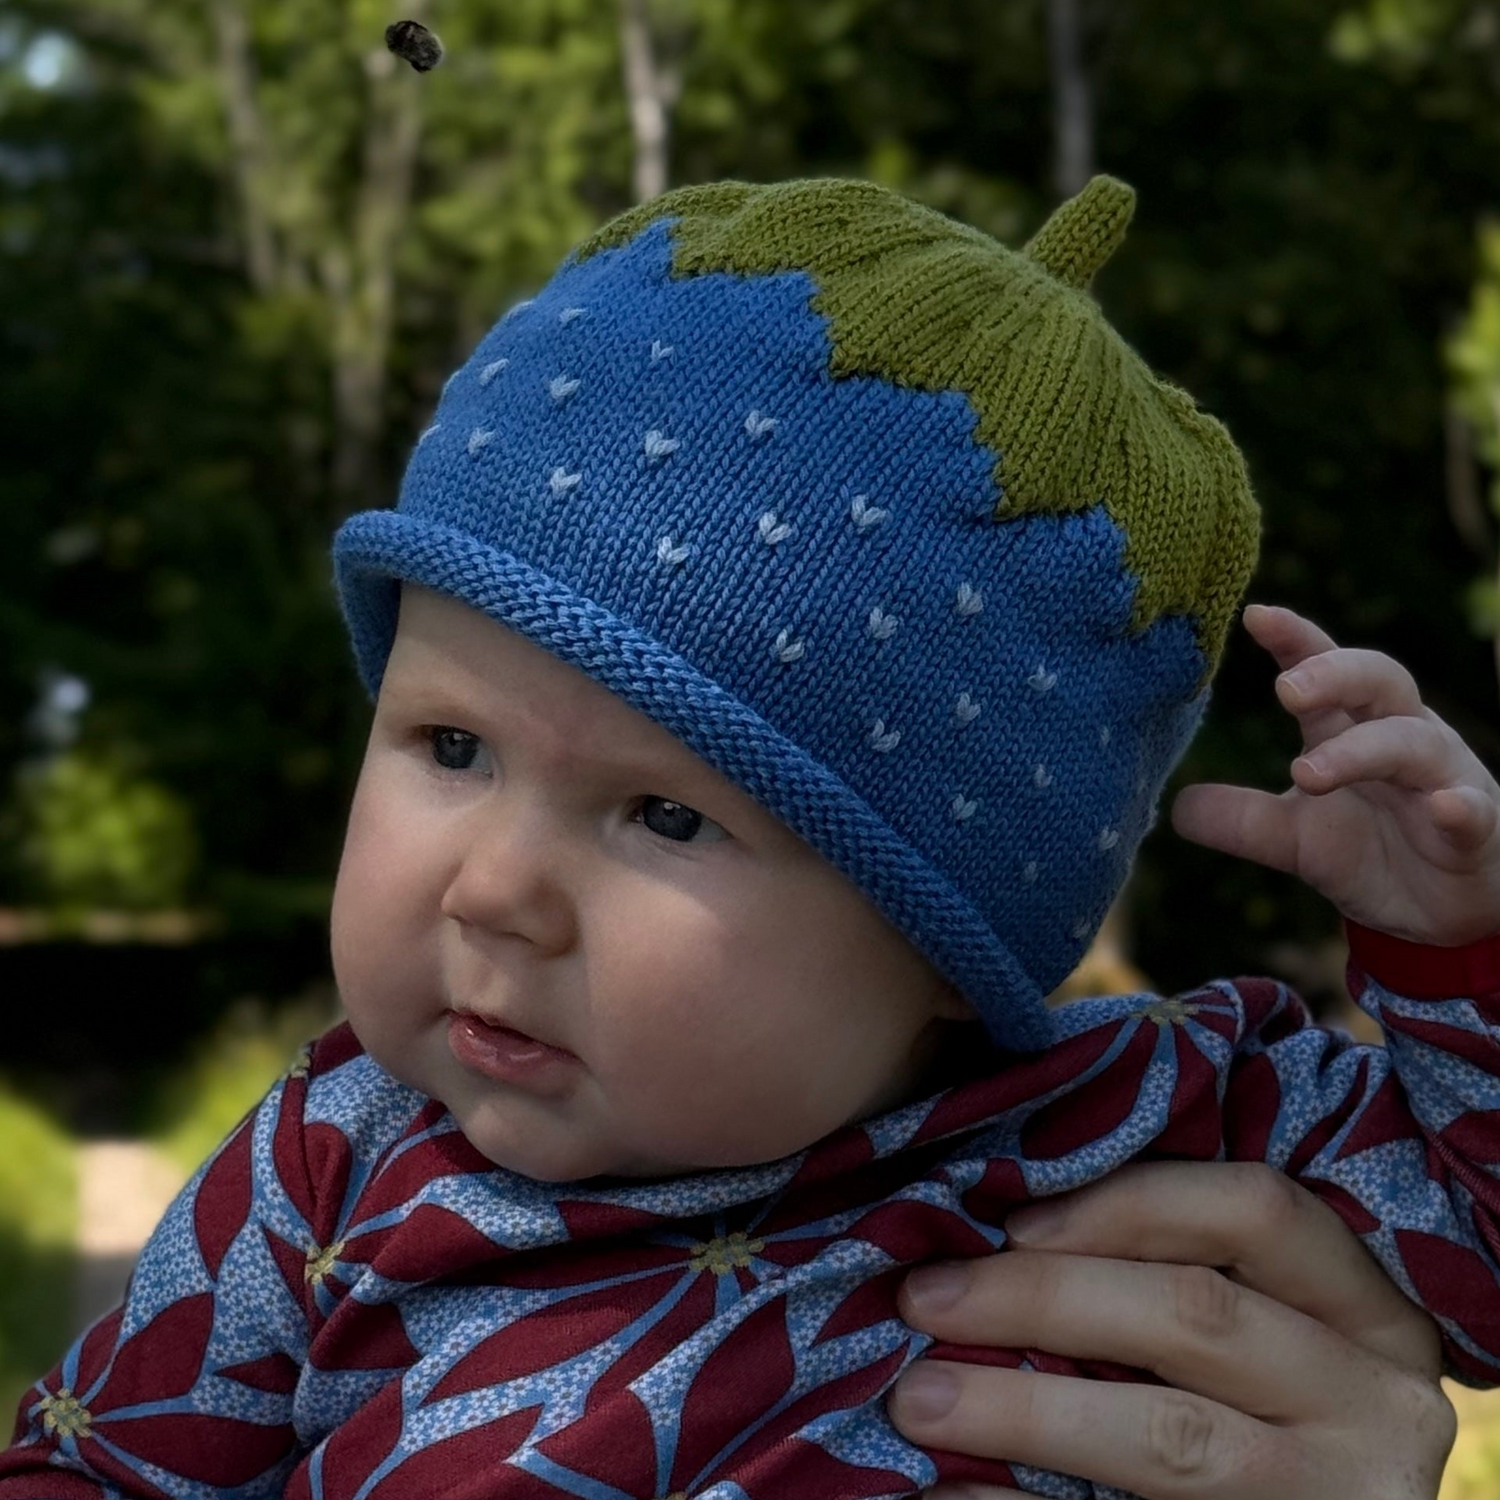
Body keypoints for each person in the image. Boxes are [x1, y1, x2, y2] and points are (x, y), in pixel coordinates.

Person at [2, 172, 1496, 1500]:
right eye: (452, 746)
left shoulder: (1133, 1130)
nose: (500, 890)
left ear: (944, 934)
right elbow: (91, 1464)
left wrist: (1453, 952)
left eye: (669, 815)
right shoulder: (337, 1160)